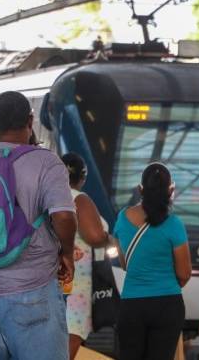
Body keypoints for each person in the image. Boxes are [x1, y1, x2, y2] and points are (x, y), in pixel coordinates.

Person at [0, 91, 78, 360]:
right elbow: (64, 216)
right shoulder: (46, 162)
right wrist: (66, 253)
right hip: (30, 292)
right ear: (31, 121)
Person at [113, 162, 192, 360]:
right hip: (167, 305)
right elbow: (184, 273)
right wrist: (165, 286)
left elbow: (124, 264)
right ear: (171, 190)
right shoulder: (174, 224)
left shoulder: (122, 218)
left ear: (141, 189)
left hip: (132, 306)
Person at [61, 152, 113, 359]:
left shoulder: (43, 196)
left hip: (44, 280)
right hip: (74, 284)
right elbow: (94, 235)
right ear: (82, 178)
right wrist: (108, 239)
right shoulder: (78, 199)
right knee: (71, 336)